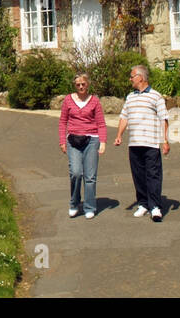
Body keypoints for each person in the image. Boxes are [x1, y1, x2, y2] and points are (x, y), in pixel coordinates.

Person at [114, 65, 170, 221]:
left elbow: (163, 119)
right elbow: (124, 117)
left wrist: (165, 141)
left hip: (151, 143)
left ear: (141, 77)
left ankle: (155, 206)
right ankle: (143, 203)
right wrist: (119, 135)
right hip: (134, 143)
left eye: (132, 76)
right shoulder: (130, 97)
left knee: (153, 175)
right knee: (138, 175)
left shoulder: (156, 96)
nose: (130, 79)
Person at [59, 74, 107, 218]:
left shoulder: (95, 101)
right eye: (78, 84)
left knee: (90, 176)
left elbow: (101, 123)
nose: (81, 87)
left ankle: (89, 207)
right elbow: (62, 122)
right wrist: (62, 141)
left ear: (88, 84)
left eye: (83, 84)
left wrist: (103, 142)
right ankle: (74, 203)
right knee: (76, 173)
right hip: (73, 140)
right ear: (75, 85)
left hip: (92, 140)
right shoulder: (68, 100)